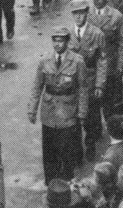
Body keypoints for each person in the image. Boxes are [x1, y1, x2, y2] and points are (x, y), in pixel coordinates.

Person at [28, 26, 88, 183]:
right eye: (54, 41)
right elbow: (37, 86)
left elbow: (82, 88)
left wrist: (82, 113)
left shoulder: (77, 61)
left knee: (67, 151)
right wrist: (32, 109)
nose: (57, 44)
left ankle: (67, 182)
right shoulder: (44, 61)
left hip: (68, 112)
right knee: (49, 152)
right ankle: (51, 183)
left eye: (61, 41)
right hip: (49, 112)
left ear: (67, 42)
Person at [68, 0, 107, 161]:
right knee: (74, 117)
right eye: (75, 13)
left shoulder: (97, 34)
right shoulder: (67, 35)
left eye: (81, 13)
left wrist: (99, 84)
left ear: (87, 13)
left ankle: (90, 143)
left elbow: (102, 61)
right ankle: (77, 150)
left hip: (90, 81)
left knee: (90, 116)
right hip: (72, 83)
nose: (78, 17)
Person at [89, 0, 123, 105]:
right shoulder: (87, 15)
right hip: (92, 64)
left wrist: (120, 65)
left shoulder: (116, 16)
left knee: (110, 100)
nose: (97, 0)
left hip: (111, 62)